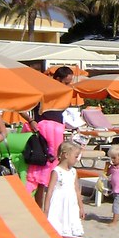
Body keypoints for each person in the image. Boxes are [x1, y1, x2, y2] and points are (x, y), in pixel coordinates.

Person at [26, 66, 77, 203]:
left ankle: (48, 206)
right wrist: (31, 121)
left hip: (56, 134)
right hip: (43, 134)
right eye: (66, 83)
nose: (68, 86)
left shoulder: (63, 95)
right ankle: (38, 206)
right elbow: (21, 106)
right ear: (57, 79)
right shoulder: (42, 91)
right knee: (40, 171)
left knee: (54, 170)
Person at [44, 140, 84, 237]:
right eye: (75, 156)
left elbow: (77, 190)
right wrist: (46, 209)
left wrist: (81, 206)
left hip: (71, 203)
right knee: (59, 226)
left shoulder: (73, 171)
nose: (77, 160)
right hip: (59, 203)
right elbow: (49, 191)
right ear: (66, 155)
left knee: (73, 225)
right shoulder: (57, 171)